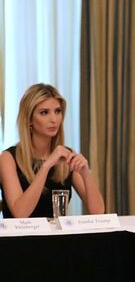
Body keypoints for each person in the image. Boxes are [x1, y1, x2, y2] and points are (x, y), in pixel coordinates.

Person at [0, 83, 105, 218]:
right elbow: (20, 213)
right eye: (44, 113)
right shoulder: (8, 158)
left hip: (57, 238)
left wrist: (86, 174)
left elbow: (98, 212)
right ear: (29, 119)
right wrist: (46, 166)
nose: (53, 119)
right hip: (21, 238)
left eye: (58, 111)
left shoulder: (66, 155)